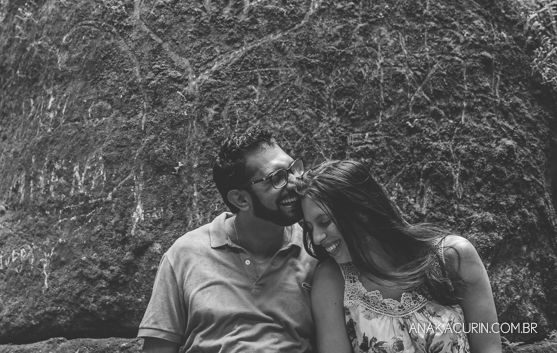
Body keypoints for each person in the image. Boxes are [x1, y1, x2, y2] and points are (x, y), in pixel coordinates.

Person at [138, 128, 317, 353]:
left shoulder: (315, 252)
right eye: (277, 178)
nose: (296, 182)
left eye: (294, 169)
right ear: (241, 199)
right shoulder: (184, 255)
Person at [297, 160, 501, 353]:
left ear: (361, 212)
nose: (316, 238)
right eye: (310, 227)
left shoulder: (453, 257)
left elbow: (489, 348)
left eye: (324, 222)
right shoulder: (332, 281)